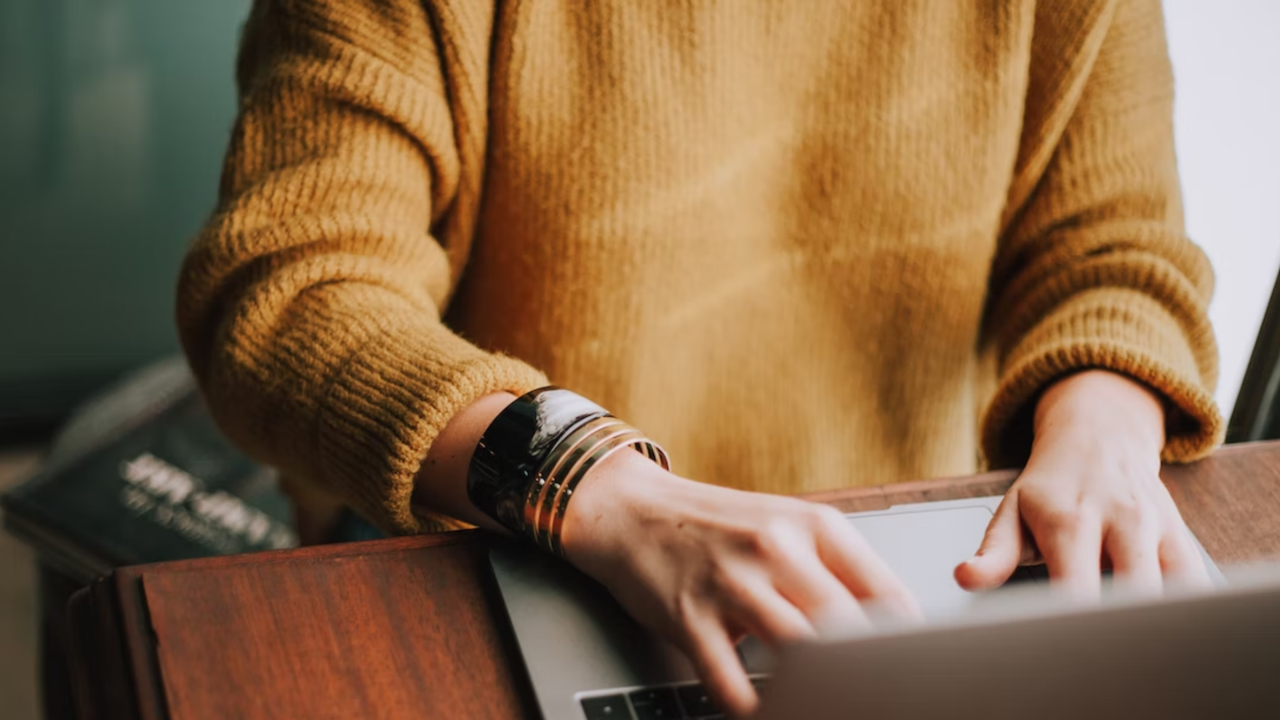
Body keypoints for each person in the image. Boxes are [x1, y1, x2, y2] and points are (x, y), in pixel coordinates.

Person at [177, 0, 1222, 715]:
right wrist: (591, 484)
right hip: (501, 546)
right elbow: (288, 290)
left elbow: (1114, 251)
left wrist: (1105, 425)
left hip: (902, 574)